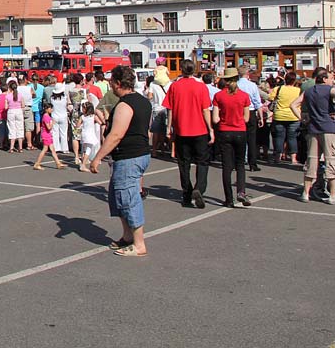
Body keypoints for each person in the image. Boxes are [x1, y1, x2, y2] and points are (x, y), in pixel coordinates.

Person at [90, 66, 152, 257]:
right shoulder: (143, 101)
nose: (110, 86)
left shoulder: (126, 105)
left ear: (118, 83)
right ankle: (127, 236)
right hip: (136, 154)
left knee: (128, 198)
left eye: (111, 83)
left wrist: (97, 157)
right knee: (118, 196)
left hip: (129, 156)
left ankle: (139, 243)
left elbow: (116, 134)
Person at [163, 60, 215, 209]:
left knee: (184, 163)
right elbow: (206, 109)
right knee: (202, 161)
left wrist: (169, 127)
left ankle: (187, 193)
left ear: (182, 70)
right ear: (194, 70)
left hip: (181, 129)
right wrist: (210, 128)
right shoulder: (201, 87)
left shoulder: (175, 86)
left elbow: (170, 109)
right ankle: (199, 188)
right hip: (199, 129)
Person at [289, 68, 335, 204]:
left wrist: (303, 119)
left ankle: (305, 193)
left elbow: (293, 105)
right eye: (331, 78)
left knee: (311, 160)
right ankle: (332, 195)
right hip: (328, 128)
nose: (332, 80)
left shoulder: (308, 91)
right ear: (325, 79)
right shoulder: (329, 90)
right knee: (330, 160)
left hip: (313, 128)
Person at [212, 68, 252, 208]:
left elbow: (215, 119)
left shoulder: (219, 96)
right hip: (240, 131)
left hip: (224, 131)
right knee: (240, 164)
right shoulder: (244, 96)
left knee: (227, 166)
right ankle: (241, 191)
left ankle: (228, 198)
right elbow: (247, 118)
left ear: (225, 80)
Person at [269, 71, 301, 165]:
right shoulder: (298, 90)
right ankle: (293, 158)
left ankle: (278, 157)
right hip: (294, 116)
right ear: (294, 81)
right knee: (292, 138)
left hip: (279, 116)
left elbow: (270, 98)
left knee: (279, 137)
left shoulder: (278, 89)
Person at [34, 103, 64, 170]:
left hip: (48, 135)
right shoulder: (46, 117)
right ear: (47, 109)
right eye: (50, 108)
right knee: (45, 149)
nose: (52, 110)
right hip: (46, 135)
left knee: (52, 149)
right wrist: (52, 123)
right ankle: (37, 163)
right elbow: (48, 127)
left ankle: (58, 163)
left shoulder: (47, 116)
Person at [78, 101, 102, 173]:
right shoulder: (93, 116)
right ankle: (83, 165)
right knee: (88, 149)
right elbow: (100, 123)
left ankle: (84, 160)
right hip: (90, 134)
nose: (82, 109)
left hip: (84, 133)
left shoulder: (82, 117)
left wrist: (82, 125)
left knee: (85, 148)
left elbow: (78, 125)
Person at [49, 82, 69, 160]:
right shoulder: (64, 98)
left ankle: (56, 147)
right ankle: (64, 148)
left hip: (54, 116)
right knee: (64, 133)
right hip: (63, 116)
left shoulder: (52, 98)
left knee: (55, 133)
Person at [3, 80, 25, 153]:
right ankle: (20, 147)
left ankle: (11, 147)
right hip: (19, 111)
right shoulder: (20, 95)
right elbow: (23, 105)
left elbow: (6, 107)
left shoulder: (8, 96)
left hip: (11, 112)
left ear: (9, 88)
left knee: (12, 129)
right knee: (20, 128)